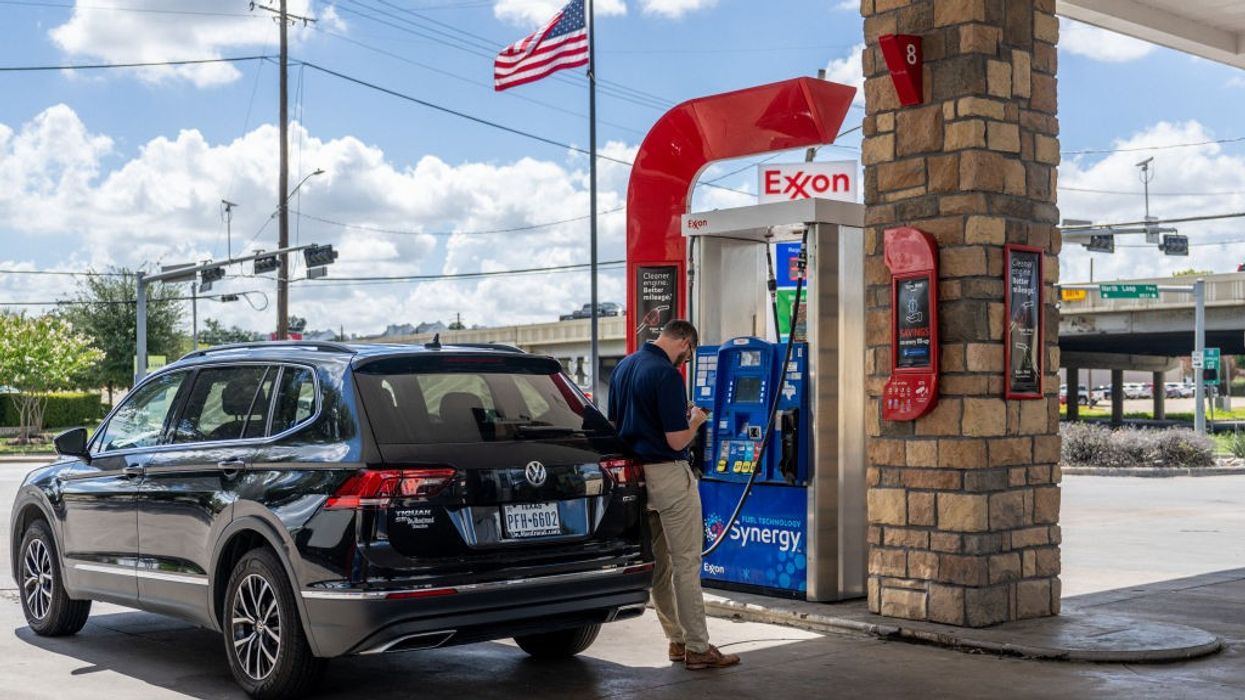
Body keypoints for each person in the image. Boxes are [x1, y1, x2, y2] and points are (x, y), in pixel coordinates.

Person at [608, 320, 741, 670]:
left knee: (660, 567)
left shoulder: (624, 367)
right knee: (686, 564)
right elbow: (676, 440)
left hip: (637, 477)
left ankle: (676, 640)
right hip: (668, 474)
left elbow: (616, 425)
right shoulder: (667, 375)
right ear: (684, 341)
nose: (686, 359)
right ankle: (698, 647)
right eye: (689, 352)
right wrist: (696, 420)